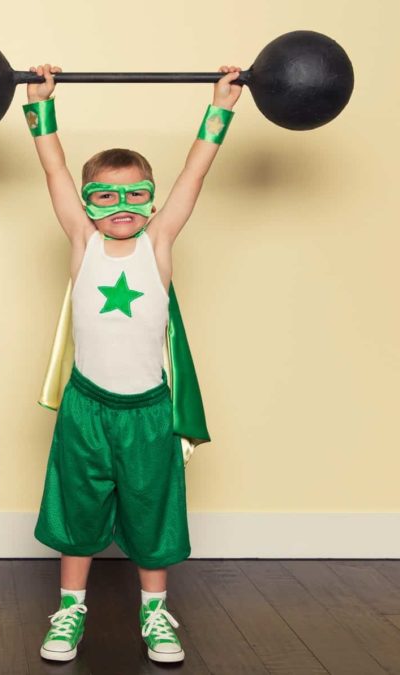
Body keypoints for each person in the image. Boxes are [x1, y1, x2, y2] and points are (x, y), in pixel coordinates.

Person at [23, 61, 243, 663]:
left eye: (135, 194)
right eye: (106, 195)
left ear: (151, 201)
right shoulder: (83, 243)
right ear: (88, 205)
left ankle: (156, 613)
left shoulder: (158, 244)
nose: (121, 205)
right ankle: (70, 610)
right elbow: (55, 169)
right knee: (77, 510)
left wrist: (220, 108)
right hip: (86, 408)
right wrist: (40, 105)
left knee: (152, 513)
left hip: (148, 413)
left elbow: (195, 174)